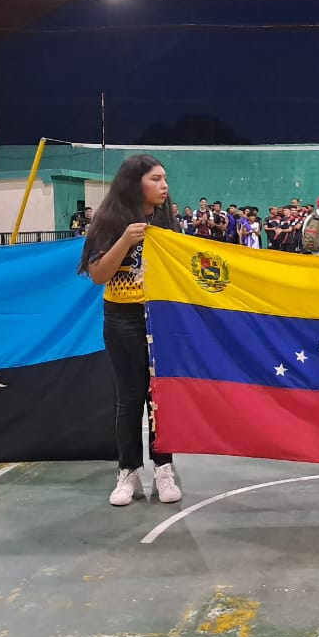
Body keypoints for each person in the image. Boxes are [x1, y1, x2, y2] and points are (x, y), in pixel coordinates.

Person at [78, 154, 183, 506]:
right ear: (134, 182)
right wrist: (124, 240)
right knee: (129, 397)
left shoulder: (169, 222)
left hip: (162, 320)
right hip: (122, 319)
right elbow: (97, 275)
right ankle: (128, 471)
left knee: (161, 397)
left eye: (165, 178)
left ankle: (164, 468)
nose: (164, 185)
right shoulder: (108, 222)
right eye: (156, 179)